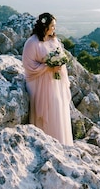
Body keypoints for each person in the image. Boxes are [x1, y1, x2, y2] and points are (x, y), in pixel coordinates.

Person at [22, 12, 74, 146]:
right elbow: (29, 67)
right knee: (46, 113)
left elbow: (60, 56)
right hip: (38, 85)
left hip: (55, 84)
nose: (54, 29)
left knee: (57, 109)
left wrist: (58, 65)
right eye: (52, 26)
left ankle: (61, 143)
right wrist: (48, 67)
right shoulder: (32, 43)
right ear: (44, 27)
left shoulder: (53, 40)